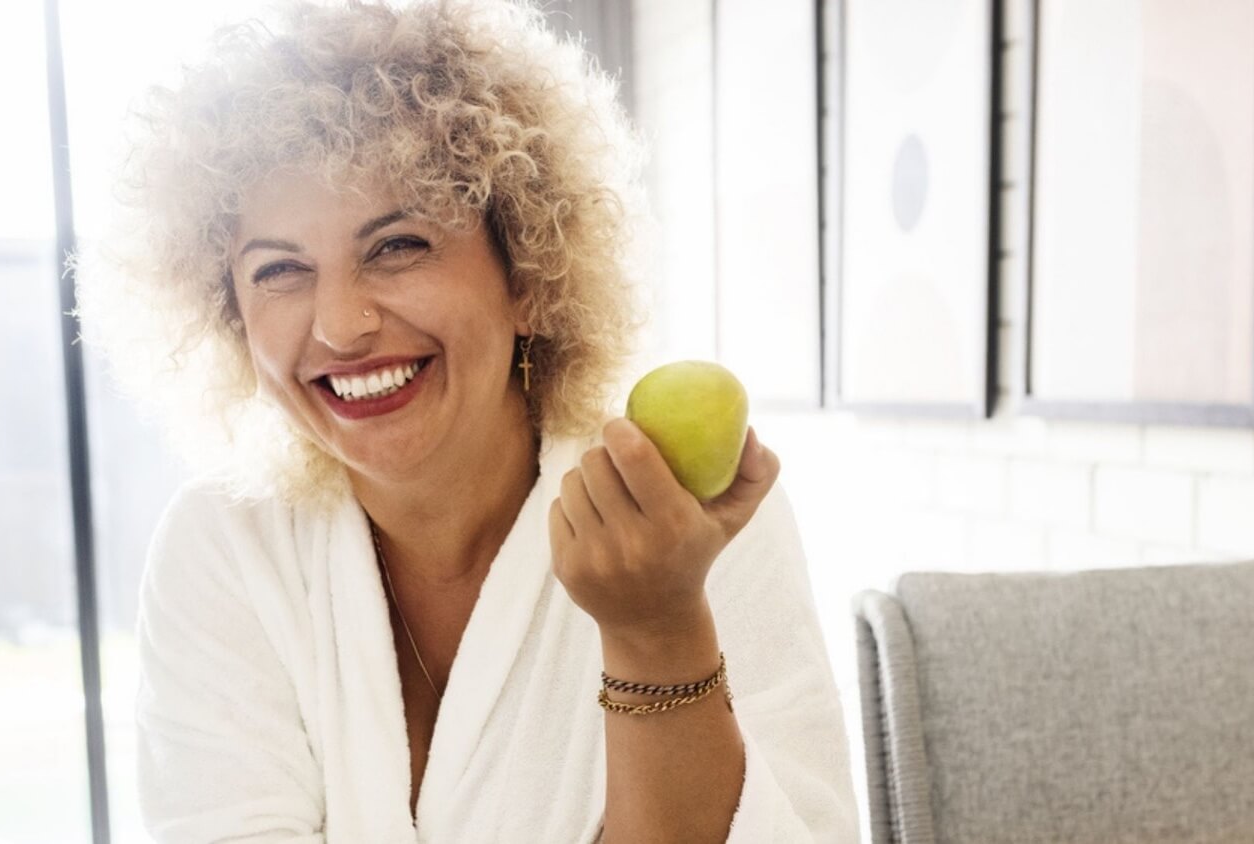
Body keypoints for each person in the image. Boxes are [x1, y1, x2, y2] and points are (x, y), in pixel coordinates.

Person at [73, 1, 858, 841]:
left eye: (397, 246)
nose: (340, 324)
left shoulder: (681, 522)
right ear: (228, 313)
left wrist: (658, 631)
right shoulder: (223, 547)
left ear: (527, 273)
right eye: (280, 270)